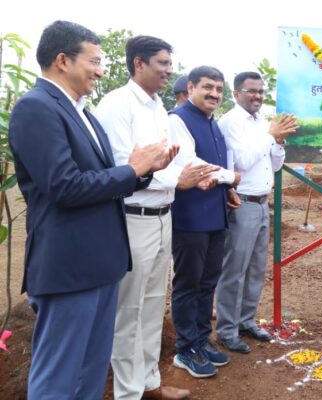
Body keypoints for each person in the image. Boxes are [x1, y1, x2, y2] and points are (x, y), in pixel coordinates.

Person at [8, 20, 175, 399]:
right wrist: (132, 169)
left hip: (100, 265)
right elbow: (63, 186)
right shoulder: (36, 108)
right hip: (69, 268)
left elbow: (105, 177)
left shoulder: (81, 110)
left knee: (90, 372)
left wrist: (144, 172)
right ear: (63, 60)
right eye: (94, 61)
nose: (101, 70)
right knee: (59, 376)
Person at [95, 36, 219, 400]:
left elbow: (172, 161)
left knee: (151, 306)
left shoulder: (156, 108)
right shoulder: (116, 104)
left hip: (163, 214)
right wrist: (177, 179)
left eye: (169, 63)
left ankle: (149, 382)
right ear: (139, 64)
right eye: (162, 63)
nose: (169, 71)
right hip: (134, 217)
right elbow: (123, 165)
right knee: (129, 309)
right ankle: (127, 392)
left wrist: (199, 176)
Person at [215, 71, 298, 352]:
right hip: (242, 203)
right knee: (234, 270)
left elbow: (274, 165)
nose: (258, 96)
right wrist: (270, 136)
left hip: (262, 202)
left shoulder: (262, 123)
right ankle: (226, 329)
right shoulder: (230, 122)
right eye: (251, 91)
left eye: (261, 91)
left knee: (255, 269)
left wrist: (279, 142)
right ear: (236, 93)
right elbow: (243, 160)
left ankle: (246, 321)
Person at [168, 66, 242, 378]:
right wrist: (231, 177)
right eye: (207, 87)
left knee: (208, 281)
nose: (214, 94)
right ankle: (185, 348)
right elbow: (191, 164)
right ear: (192, 87)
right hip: (189, 216)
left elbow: (218, 165)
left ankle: (201, 339)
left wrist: (227, 186)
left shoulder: (212, 124)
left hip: (215, 214)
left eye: (219, 90)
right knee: (188, 283)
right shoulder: (177, 119)